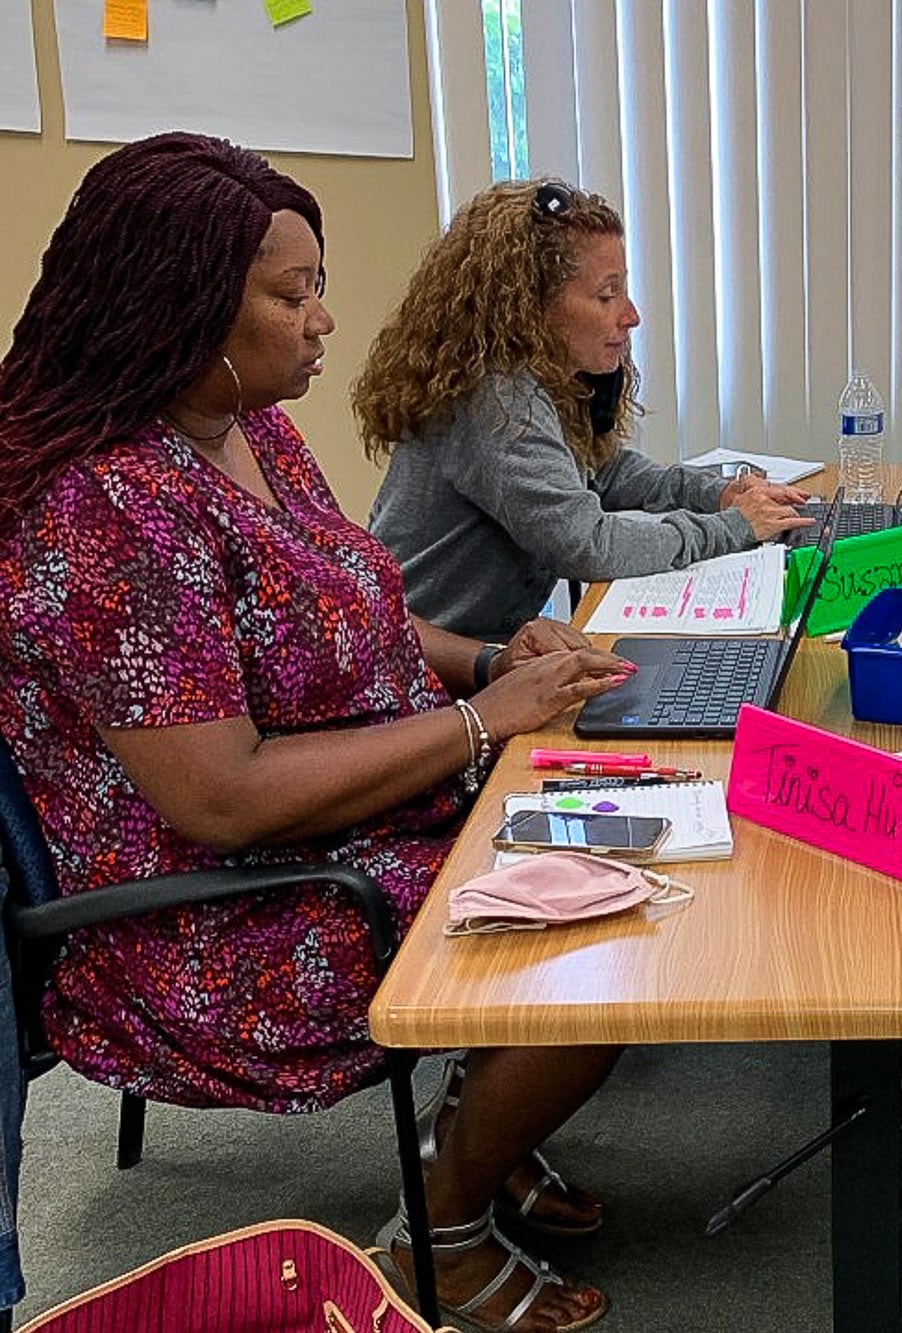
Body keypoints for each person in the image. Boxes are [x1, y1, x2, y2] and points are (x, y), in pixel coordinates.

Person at [0, 134, 634, 1333]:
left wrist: (497, 659)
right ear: (176, 309)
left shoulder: (247, 425)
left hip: (350, 810)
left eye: (317, 285)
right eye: (291, 296)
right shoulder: (106, 509)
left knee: (620, 819)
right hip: (222, 906)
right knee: (596, 942)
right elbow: (220, 796)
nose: (324, 321)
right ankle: (439, 1221)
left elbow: (366, 611)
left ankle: (478, 1134)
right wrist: (474, 720)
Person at [357, 178, 811, 642]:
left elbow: (602, 469)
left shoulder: (538, 375)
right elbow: (587, 543)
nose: (630, 315)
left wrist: (717, 494)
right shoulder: (496, 399)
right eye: (606, 295)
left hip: (476, 649)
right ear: (531, 306)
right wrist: (733, 528)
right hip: (416, 669)